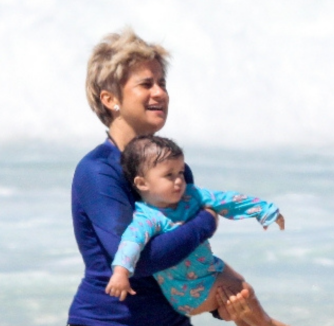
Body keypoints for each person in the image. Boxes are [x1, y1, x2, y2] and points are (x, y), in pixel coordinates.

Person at [67, 28, 276, 326]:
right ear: (110, 98)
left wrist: (221, 303)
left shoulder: (172, 168)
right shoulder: (98, 171)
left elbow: (185, 254)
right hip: (110, 320)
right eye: (146, 84)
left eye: (162, 83)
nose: (160, 93)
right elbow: (139, 259)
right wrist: (207, 220)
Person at [105, 135, 287, 326]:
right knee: (243, 290)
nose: (178, 181)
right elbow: (130, 243)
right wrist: (121, 273)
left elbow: (227, 200)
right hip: (186, 291)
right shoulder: (147, 218)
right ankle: (268, 323)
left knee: (238, 290)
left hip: (210, 270)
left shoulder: (191, 195)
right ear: (142, 183)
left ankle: (237, 318)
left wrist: (264, 210)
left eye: (181, 172)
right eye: (169, 175)